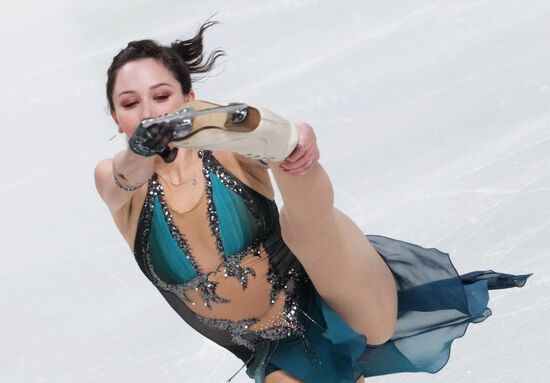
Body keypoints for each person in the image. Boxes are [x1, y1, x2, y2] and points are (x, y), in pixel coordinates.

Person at [94, 19, 532, 383]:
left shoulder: (223, 140)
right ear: (116, 118)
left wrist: (293, 145)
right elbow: (123, 178)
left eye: (162, 96)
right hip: (271, 348)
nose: (149, 113)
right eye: (130, 103)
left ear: (188, 99)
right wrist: (142, 149)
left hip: (338, 291)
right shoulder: (117, 181)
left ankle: (297, 159)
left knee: (300, 217)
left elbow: (256, 127)